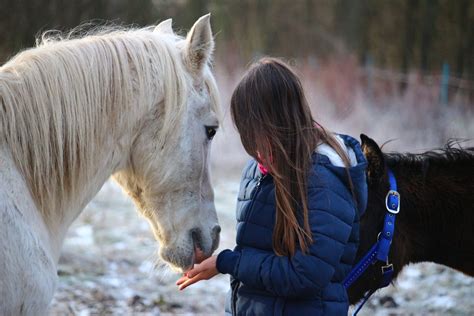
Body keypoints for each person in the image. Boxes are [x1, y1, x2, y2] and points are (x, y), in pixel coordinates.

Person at [176, 57, 368, 315]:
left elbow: (304, 275)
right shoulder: (257, 171)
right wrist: (213, 258)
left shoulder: (325, 182)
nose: (254, 147)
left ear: (280, 122)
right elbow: (256, 256)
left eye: (257, 133)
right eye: (247, 135)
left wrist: (228, 262)